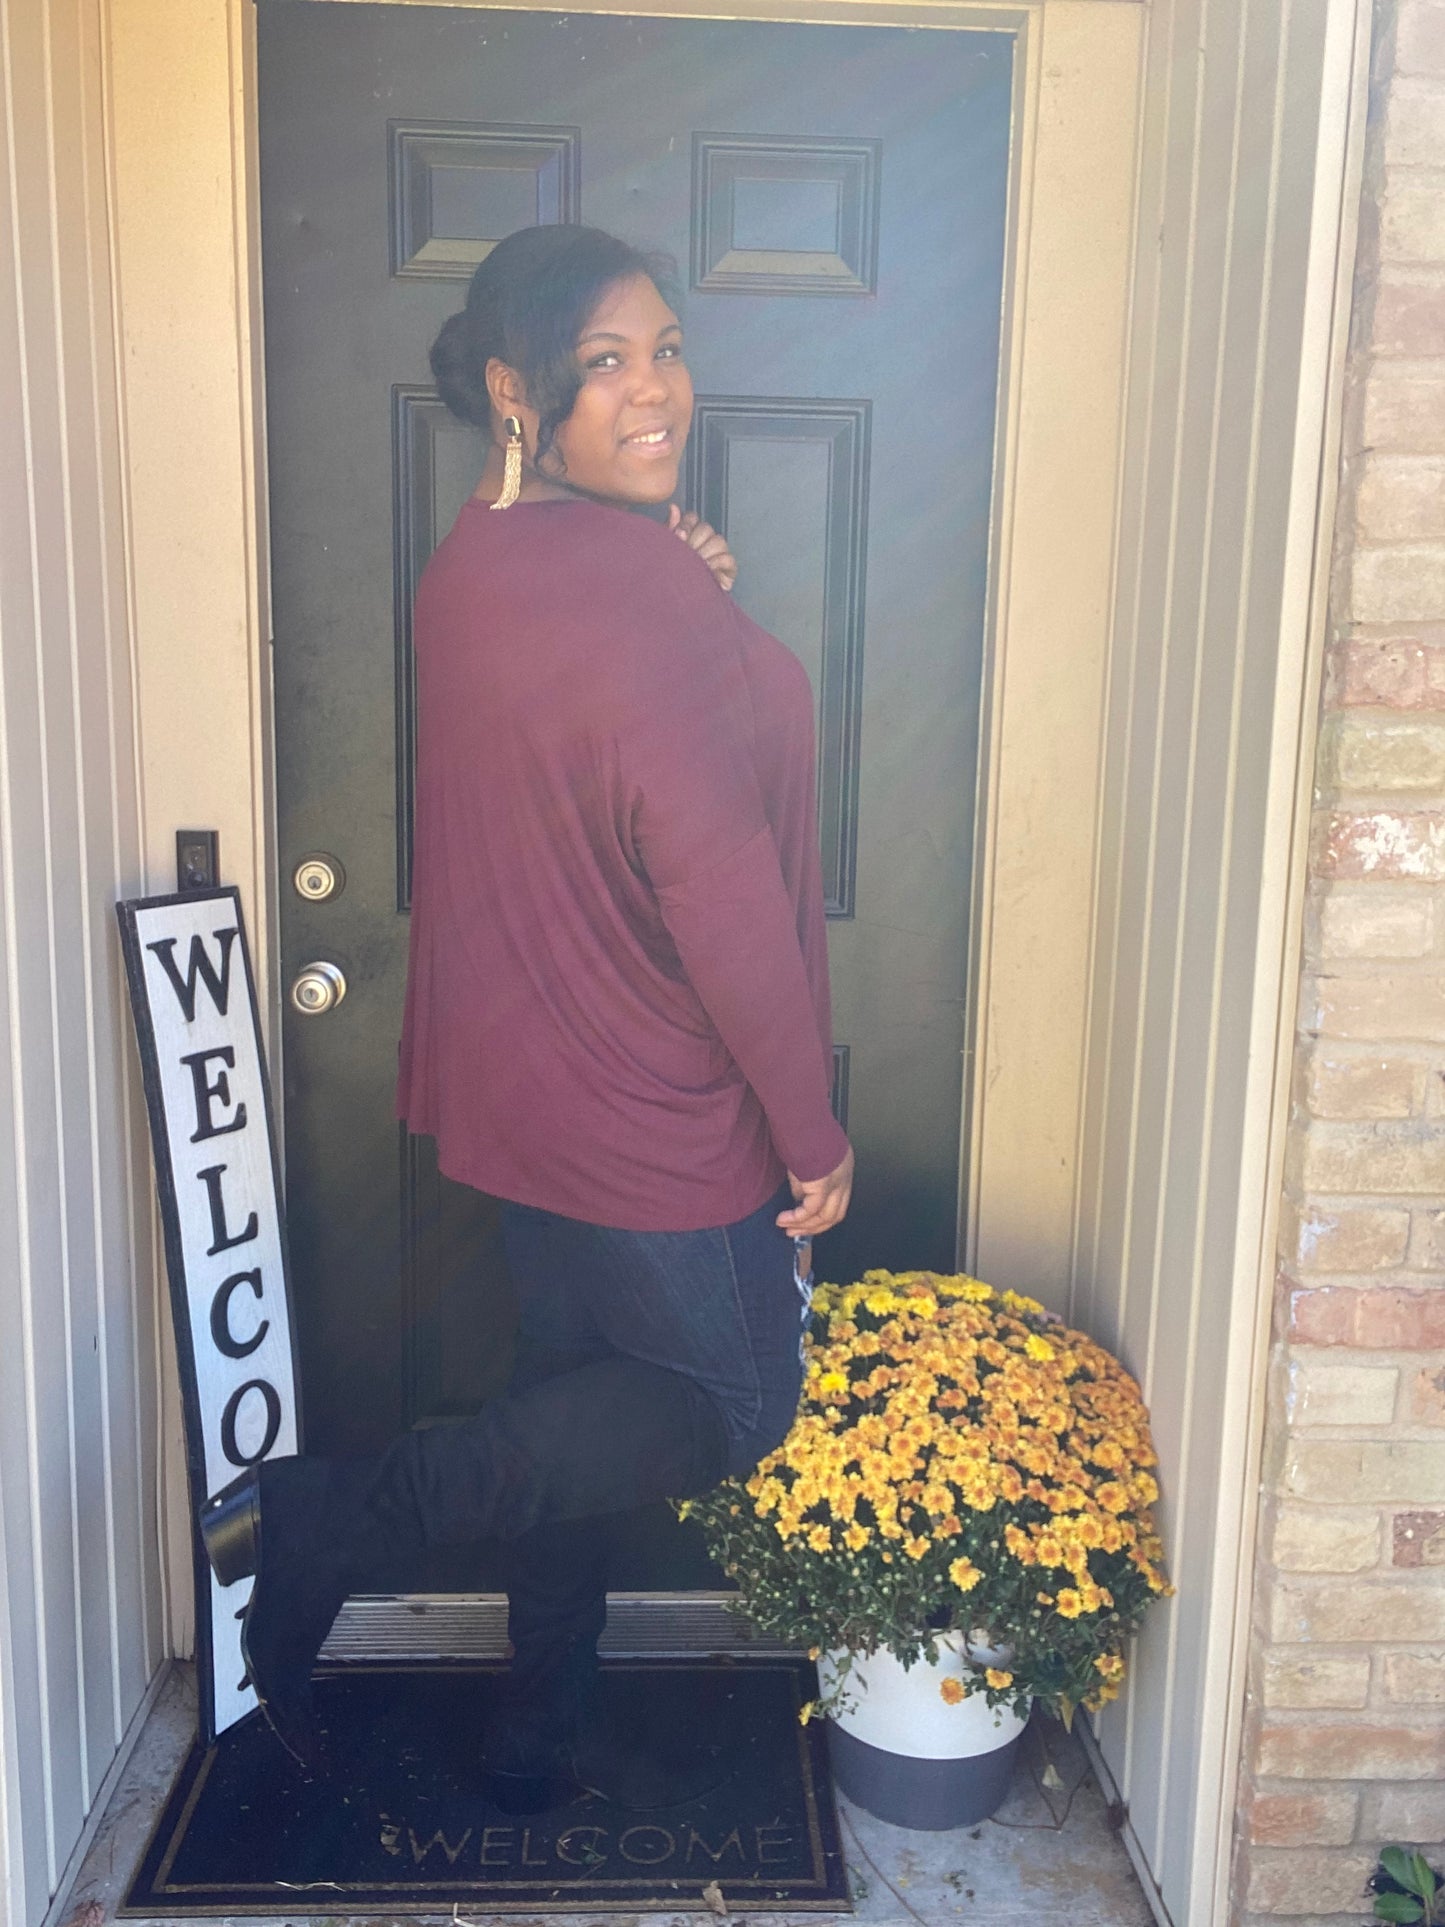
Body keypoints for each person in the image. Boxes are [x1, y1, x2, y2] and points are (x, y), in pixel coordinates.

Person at [198, 223, 854, 1804]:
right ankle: (339, 1518)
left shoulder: (477, 566)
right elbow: (713, 884)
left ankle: (540, 1723)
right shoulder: (631, 587)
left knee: (568, 1405)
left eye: (668, 348)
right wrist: (810, 1130)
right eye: (606, 361)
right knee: (736, 1400)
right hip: (653, 1102)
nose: (657, 390)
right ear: (514, 389)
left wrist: (708, 607)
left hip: (526, 1106)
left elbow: (623, 749)